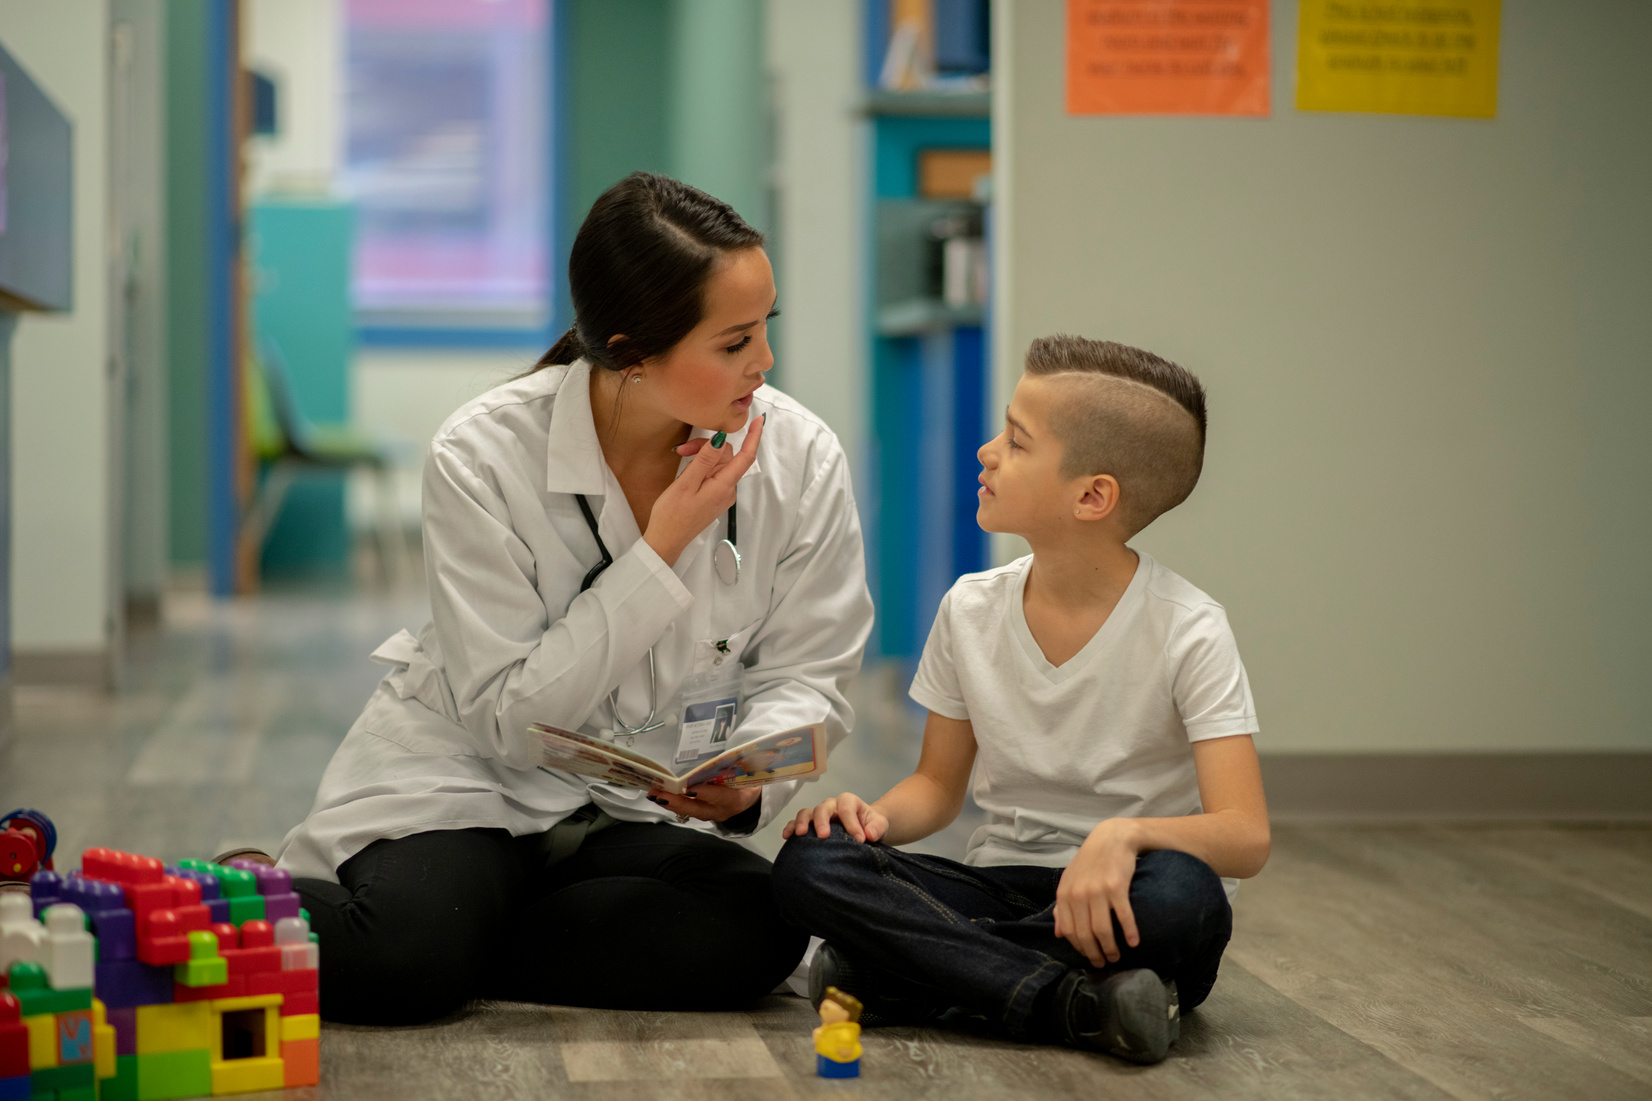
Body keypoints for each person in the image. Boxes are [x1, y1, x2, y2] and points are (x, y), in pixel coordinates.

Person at [258, 173, 873, 1025]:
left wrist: (749, 778)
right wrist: (661, 550)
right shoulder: (483, 455)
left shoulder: (801, 456)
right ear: (629, 351)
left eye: (768, 327)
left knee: (763, 924)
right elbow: (508, 717)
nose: (765, 362)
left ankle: (446, 937)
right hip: (467, 779)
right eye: (733, 342)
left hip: (621, 811)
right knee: (406, 963)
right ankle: (255, 905)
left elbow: (811, 669)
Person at [770, 335, 1269, 1064]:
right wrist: (871, 817)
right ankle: (1078, 1003)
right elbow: (937, 789)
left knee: (1186, 898)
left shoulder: (1189, 627)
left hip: (1128, 901)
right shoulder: (971, 607)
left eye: (1016, 439)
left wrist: (1123, 835)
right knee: (812, 862)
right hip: (1004, 885)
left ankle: (926, 975)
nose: (986, 449)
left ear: (1092, 495)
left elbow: (1245, 834)